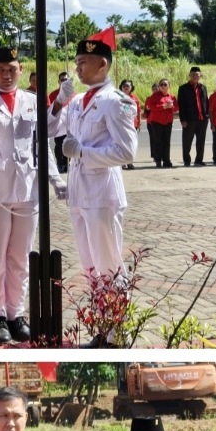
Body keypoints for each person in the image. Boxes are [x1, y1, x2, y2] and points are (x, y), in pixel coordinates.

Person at [0, 46, 64, 345]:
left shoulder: (32, 102)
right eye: (1, 69)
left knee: (20, 257)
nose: (7, 75)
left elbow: (42, 145)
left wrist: (55, 179)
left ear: (21, 70)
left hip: (28, 188)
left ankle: (16, 314)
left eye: (12, 69)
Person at [61, 27, 138, 294]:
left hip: (102, 194)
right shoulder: (77, 101)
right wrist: (58, 101)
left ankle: (116, 332)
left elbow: (127, 152)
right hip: (79, 193)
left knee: (108, 264)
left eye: (83, 62)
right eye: (77, 62)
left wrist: (82, 153)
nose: (77, 68)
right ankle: (101, 326)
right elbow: (48, 128)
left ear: (102, 64)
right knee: (90, 265)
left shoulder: (116, 102)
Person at [176, 66, 209, 166]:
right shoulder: (183, 88)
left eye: (197, 75)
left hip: (202, 119)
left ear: (200, 76)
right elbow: (181, 105)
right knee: (187, 141)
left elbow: (206, 102)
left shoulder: (203, 87)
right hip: (189, 119)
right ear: (189, 76)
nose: (195, 76)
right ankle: (187, 160)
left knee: (201, 141)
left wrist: (207, 116)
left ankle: (199, 160)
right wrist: (183, 119)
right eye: (193, 75)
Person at [143, 79, 176, 169]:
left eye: (165, 84)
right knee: (157, 142)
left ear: (169, 86)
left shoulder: (172, 96)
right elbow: (151, 106)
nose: (163, 86)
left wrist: (171, 106)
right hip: (156, 122)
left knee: (166, 142)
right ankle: (158, 160)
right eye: (161, 84)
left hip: (168, 122)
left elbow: (176, 108)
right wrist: (163, 106)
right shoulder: (155, 96)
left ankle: (166, 160)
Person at [48, 71, 75, 173]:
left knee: (70, 144)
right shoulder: (53, 94)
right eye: (62, 80)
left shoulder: (75, 95)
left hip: (70, 124)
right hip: (59, 124)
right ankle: (60, 163)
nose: (64, 82)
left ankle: (67, 164)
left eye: (66, 80)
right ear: (58, 82)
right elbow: (51, 110)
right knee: (59, 145)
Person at [118, 79, 141, 169]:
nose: (126, 87)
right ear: (121, 87)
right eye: (124, 86)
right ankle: (123, 162)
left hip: (132, 124)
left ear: (131, 88)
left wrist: (139, 122)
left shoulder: (134, 98)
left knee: (131, 143)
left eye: (128, 86)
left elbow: (138, 110)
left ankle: (130, 161)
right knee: (122, 143)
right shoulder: (118, 96)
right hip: (121, 123)